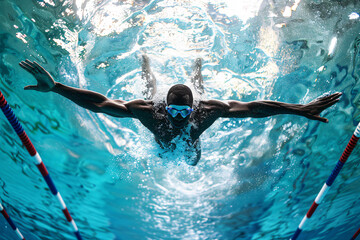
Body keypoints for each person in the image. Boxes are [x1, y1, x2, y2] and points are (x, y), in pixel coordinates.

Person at [19, 57, 341, 166]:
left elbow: (256, 109)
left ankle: (195, 70)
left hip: (192, 151)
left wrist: (301, 109)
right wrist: (57, 86)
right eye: (170, 110)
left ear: (193, 110)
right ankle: (147, 66)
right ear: (164, 106)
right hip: (160, 144)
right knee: (149, 89)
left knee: (198, 90)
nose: (175, 117)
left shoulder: (205, 111)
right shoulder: (152, 111)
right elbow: (102, 104)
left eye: (182, 111)